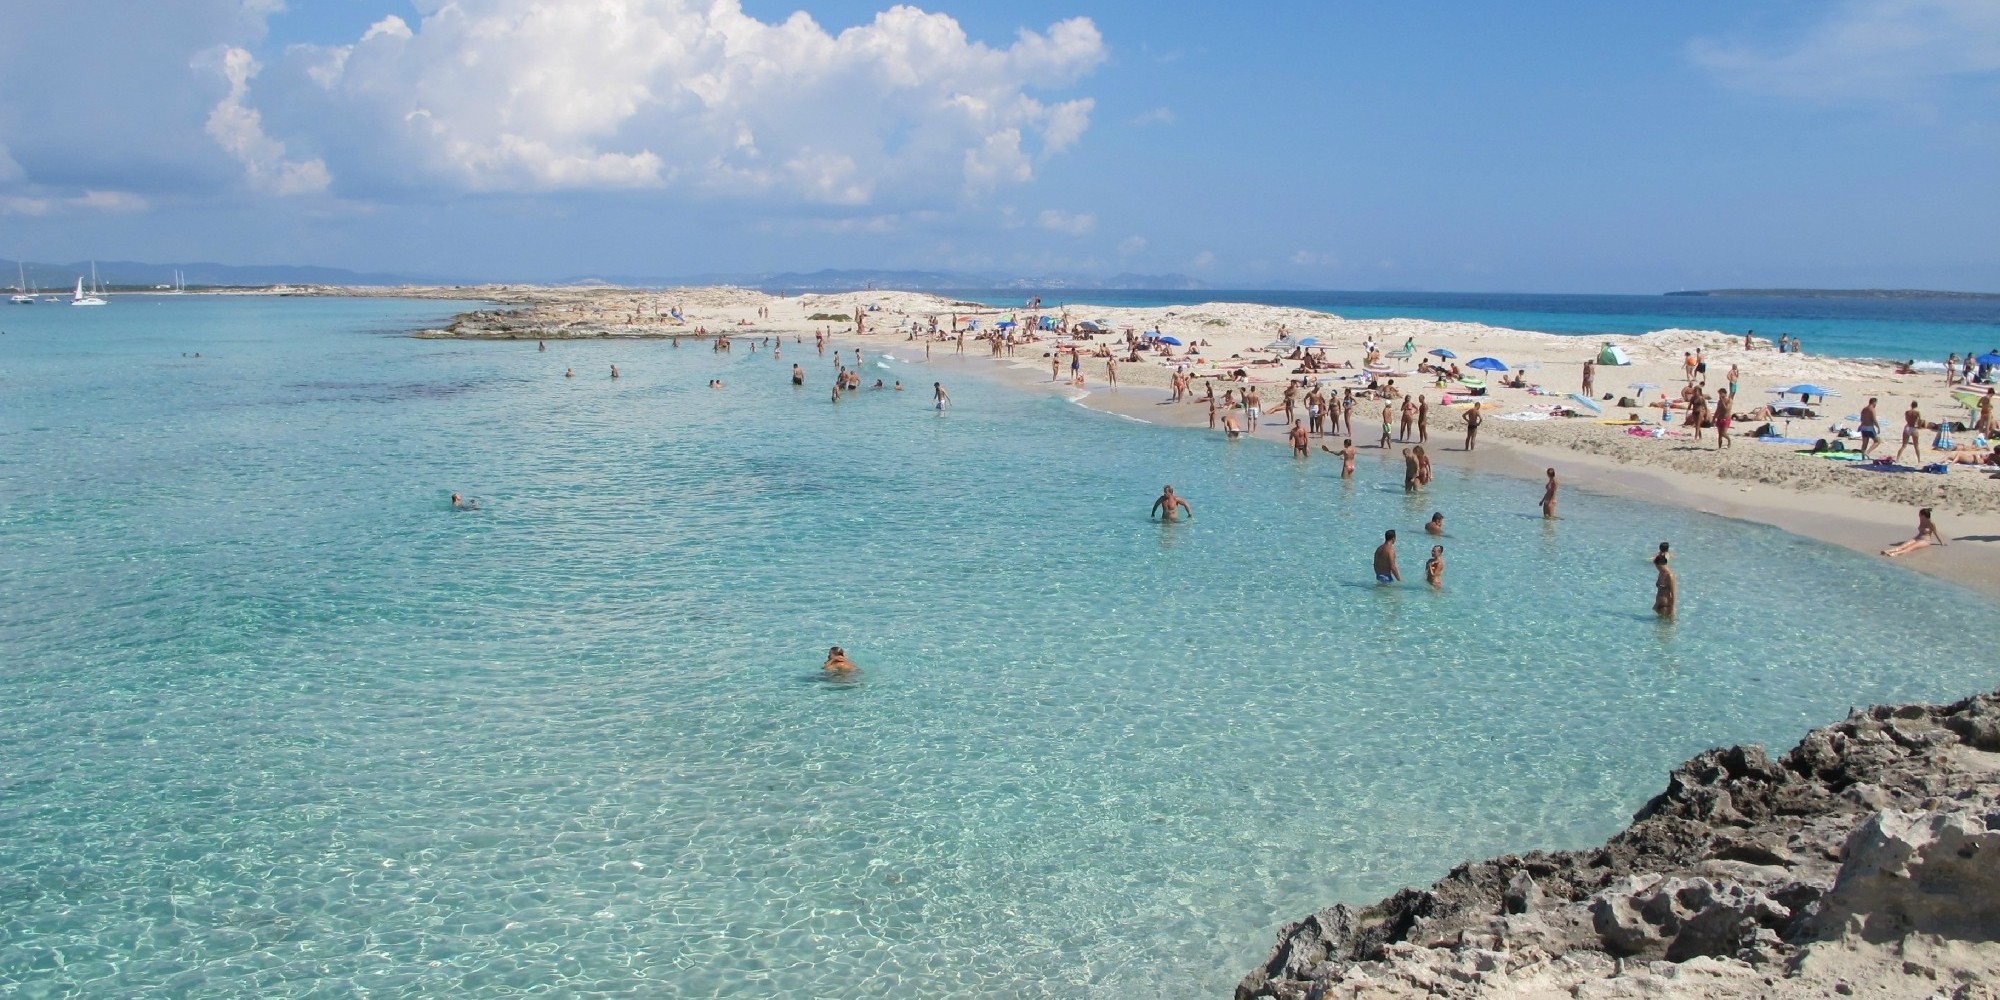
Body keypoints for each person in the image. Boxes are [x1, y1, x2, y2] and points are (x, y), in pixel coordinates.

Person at [1653, 543, 1677, 618]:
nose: (1657, 568)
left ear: (1662, 564)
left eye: (1658, 566)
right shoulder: (1661, 573)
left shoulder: (1670, 576)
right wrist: (1656, 605)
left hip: (1666, 608)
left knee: (1665, 629)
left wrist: (1673, 610)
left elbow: (1674, 594)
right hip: (1658, 606)